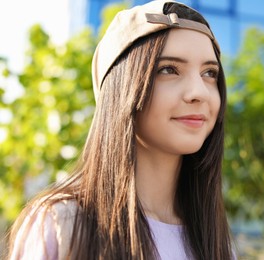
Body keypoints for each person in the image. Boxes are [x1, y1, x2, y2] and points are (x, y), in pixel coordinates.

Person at [7, 0, 235, 259]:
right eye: (169, 70)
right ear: (122, 88)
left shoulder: (216, 242)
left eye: (209, 73)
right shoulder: (64, 224)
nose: (198, 92)